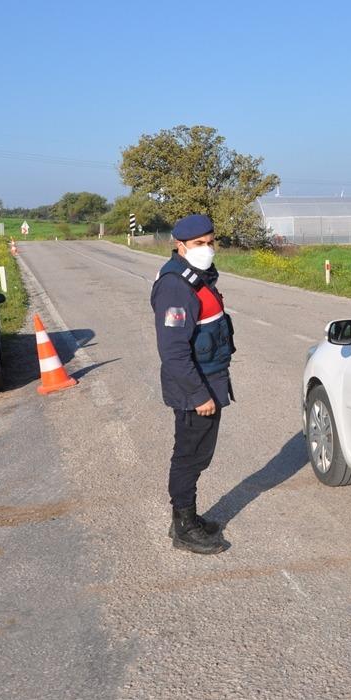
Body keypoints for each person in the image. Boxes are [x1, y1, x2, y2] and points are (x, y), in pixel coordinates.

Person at [150, 214, 236, 554]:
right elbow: (172, 352)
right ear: (180, 245)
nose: (207, 248)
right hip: (194, 388)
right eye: (199, 244)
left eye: (211, 242)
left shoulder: (199, 276)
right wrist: (199, 394)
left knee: (200, 455)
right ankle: (183, 526)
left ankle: (189, 517)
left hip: (209, 380)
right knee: (189, 456)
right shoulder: (176, 285)